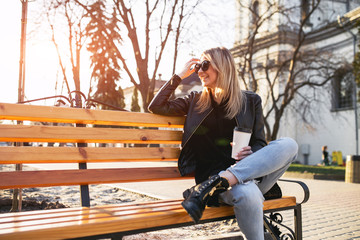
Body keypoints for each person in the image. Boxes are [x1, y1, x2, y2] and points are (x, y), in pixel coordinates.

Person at [148, 47, 298, 240]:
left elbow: (260, 143)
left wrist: (252, 154)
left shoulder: (250, 101)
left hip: (250, 174)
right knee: (248, 194)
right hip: (215, 182)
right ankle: (217, 182)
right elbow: (156, 106)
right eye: (197, 67)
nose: (199, 71)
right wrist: (179, 75)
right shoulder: (195, 101)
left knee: (290, 144)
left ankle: (223, 179)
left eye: (204, 65)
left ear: (222, 66)